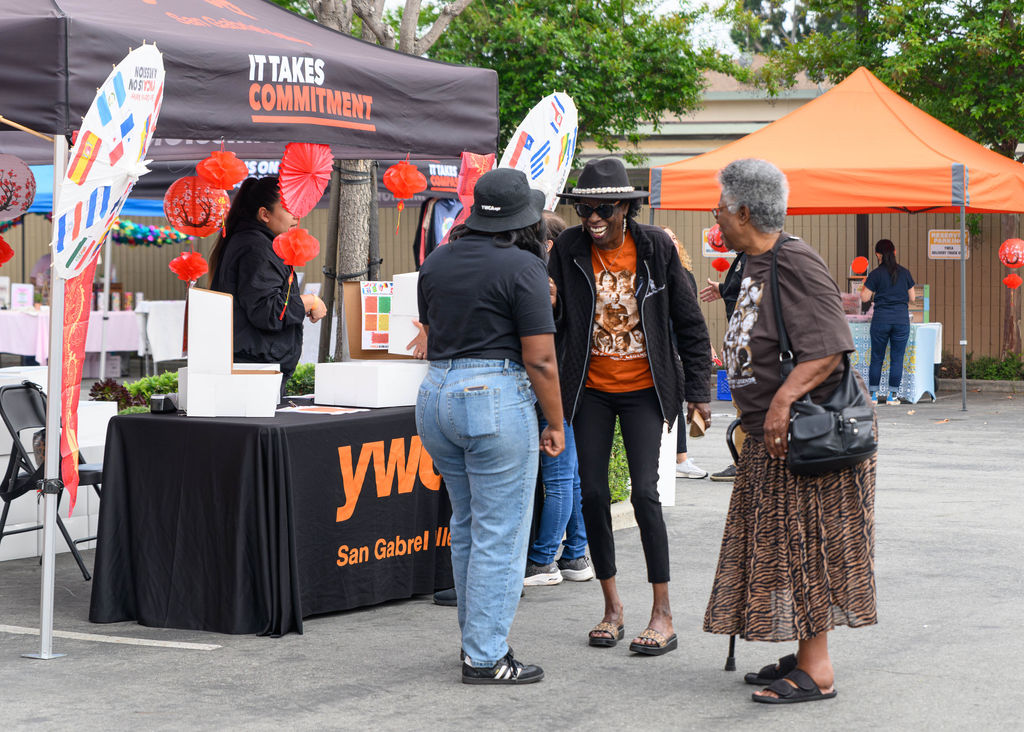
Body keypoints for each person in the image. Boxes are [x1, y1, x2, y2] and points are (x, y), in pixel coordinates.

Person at [702, 158, 877, 705]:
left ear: (743, 212)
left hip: (804, 436)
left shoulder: (793, 259)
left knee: (807, 547)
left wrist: (780, 402)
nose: (714, 214)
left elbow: (828, 346)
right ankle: (804, 653)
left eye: (720, 206)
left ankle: (817, 670)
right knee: (781, 547)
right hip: (772, 439)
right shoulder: (753, 262)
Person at [549, 158, 712, 655]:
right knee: (593, 494)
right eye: (583, 210)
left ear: (624, 207)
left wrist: (698, 393)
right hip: (590, 389)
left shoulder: (656, 247)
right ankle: (612, 608)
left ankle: (662, 613)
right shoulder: (568, 248)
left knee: (644, 493)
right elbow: (556, 321)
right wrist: (549, 304)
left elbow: (689, 322)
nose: (592, 219)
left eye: (602, 209)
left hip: (645, 387)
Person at [414, 168, 564, 685]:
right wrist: (555, 421)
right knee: (501, 532)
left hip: (436, 392)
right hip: (493, 395)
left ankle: (477, 642)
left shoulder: (438, 259)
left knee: (469, 524)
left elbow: (434, 330)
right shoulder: (524, 266)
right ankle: (485, 656)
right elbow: (540, 358)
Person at [524, 211, 594, 586]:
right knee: (570, 477)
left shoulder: (549, 284)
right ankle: (576, 555)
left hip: (555, 390)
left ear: (547, 245)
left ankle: (542, 560)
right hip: (573, 388)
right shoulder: (574, 278)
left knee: (559, 478)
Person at [209, 176, 326, 391]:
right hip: (255, 367)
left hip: (253, 363)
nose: (296, 215)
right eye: (288, 208)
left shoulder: (251, 241)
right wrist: (310, 301)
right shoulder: (257, 248)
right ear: (264, 214)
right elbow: (268, 311)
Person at [663, 227, 709, 480]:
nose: (672, 241)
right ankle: (678, 458)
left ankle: (681, 458)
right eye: (666, 238)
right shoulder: (654, 273)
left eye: (674, 237)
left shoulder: (686, 274)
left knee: (676, 403)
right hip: (664, 346)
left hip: (679, 347)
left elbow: (692, 319)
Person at [700, 249, 747, 482]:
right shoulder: (746, 256)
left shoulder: (756, 256)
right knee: (743, 403)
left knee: (747, 403)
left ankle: (744, 464)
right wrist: (723, 288)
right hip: (744, 342)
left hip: (750, 345)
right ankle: (745, 462)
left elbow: (753, 299)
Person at [860, 238, 916, 405]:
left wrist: (866, 285)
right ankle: (892, 396)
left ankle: (873, 395)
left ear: (878, 255)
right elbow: (913, 298)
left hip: (881, 319)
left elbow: (864, 297)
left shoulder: (875, 274)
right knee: (897, 358)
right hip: (901, 319)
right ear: (895, 252)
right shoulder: (905, 273)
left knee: (877, 357)